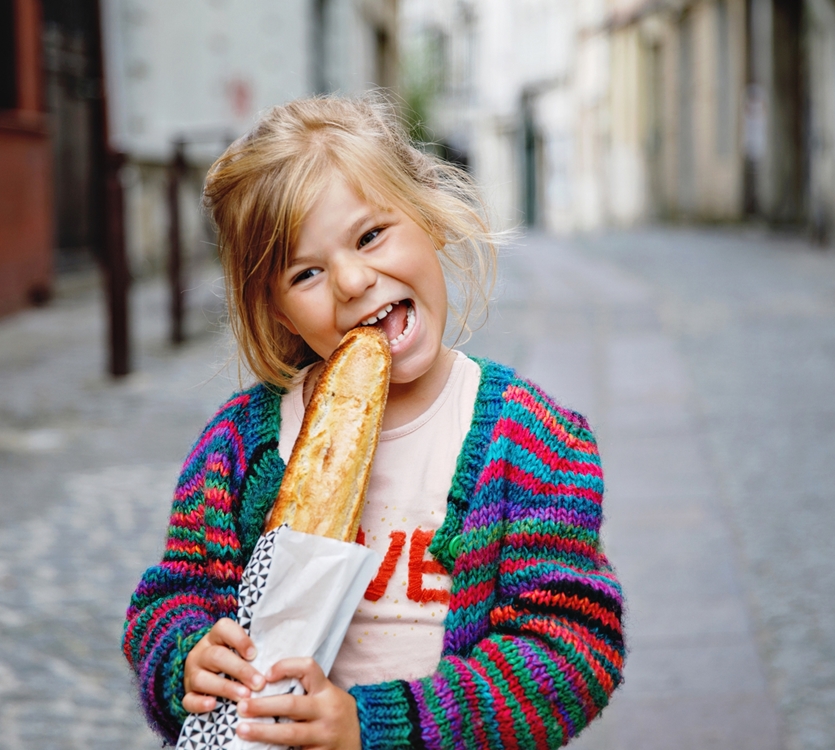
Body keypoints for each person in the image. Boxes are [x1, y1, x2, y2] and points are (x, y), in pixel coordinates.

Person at [122, 95, 625, 750]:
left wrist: (377, 726)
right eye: (307, 272)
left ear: (430, 217)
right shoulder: (239, 447)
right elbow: (171, 599)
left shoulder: (533, 440)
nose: (354, 280)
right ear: (275, 311)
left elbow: (573, 650)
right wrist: (185, 659)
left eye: (370, 236)